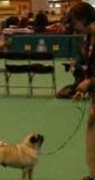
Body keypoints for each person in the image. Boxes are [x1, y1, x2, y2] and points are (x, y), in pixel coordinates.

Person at [70, 2, 95, 180]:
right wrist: (85, 86)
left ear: (83, 20)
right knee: (92, 136)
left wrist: (90, 83)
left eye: (74, 21)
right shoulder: (88, 38)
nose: (73, 26)